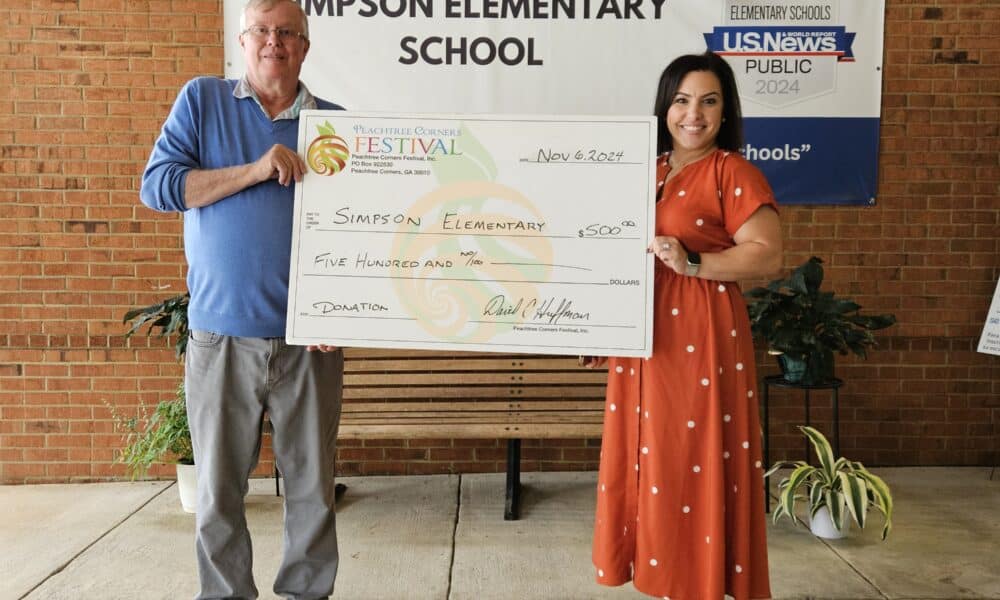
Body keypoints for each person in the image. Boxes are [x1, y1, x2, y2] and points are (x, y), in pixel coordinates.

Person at [139, 1, 345, 598]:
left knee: (312, 492)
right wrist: (255, 169)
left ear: (305, 47)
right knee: (219, 494)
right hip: (220, 337)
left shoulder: (337, 128)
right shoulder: (203, 101)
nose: (273, 42)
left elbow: (366, 233)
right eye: (262, 31)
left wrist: (344, 307)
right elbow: (159, 186)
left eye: (288, 33)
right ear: (242, 40)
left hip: (311, 341)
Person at [585, 51, 782, 599]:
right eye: (682, 100)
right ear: (665, 107)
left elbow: (767, 256)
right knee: (644, 457)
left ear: (725, 111)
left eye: (708, 101)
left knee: (685, 459)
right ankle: (658, 577)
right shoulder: (645, 168)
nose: (693, 114)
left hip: (699, 334)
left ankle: (694, 584)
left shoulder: (732, 171)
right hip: (642, 338)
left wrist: (694, 262)